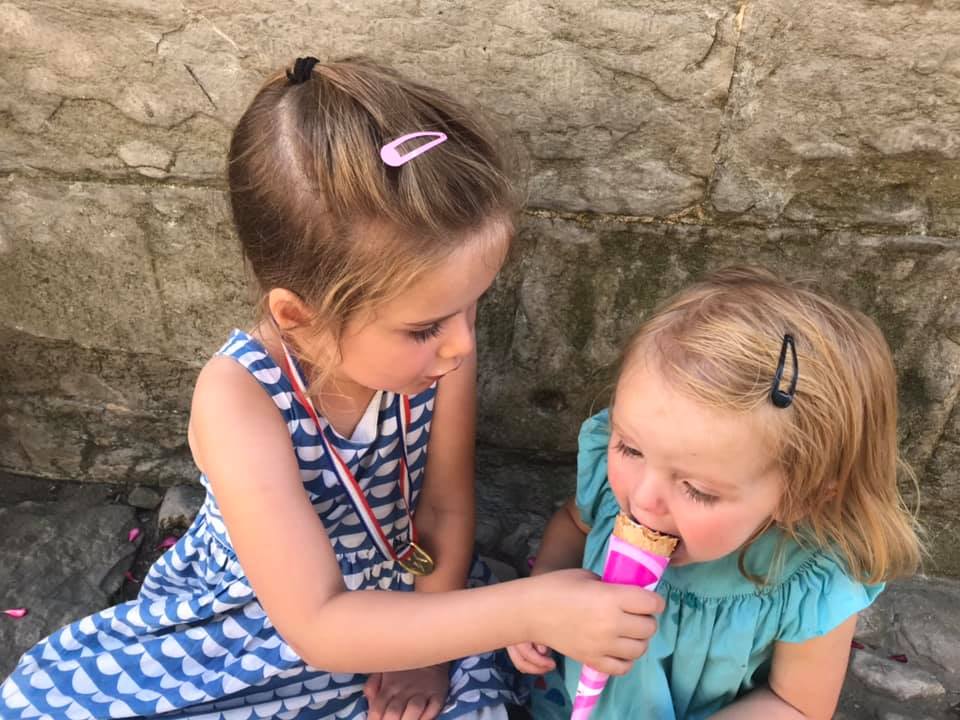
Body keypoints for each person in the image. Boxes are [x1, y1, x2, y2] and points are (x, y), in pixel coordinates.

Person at [0, 57, 663, 720]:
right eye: (427, 325)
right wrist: (529, 607)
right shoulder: (239, 399)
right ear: (299, 317)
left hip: (412, 601)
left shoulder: (438, 357)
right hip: (264, 619)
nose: (463, 345)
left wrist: (428, 658)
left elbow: (442, 512)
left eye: (473, 306)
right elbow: (315, 622)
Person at [509, 266, 923, 720]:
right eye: (629, 447)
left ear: (801, 496)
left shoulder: (811, 581)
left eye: (699, 491)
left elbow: (798, 705)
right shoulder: (619, 484)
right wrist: (539, 602)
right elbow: (574, 524)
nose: (643, 498)